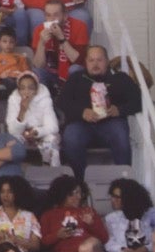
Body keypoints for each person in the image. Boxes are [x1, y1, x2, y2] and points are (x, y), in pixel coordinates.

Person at [58, 46, 141, 180]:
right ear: (86, 62)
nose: (95, 64)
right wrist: (81, 112)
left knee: (120, 133)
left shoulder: (120, 78)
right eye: (91, 60)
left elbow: (138, 101)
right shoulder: (76, 78)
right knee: (71, 136)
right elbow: (62, 101)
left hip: (111, 123)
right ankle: (79, 183)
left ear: (107, 61)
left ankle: (125, 183)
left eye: (99, 60)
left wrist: (119, 110)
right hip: (81, 124)